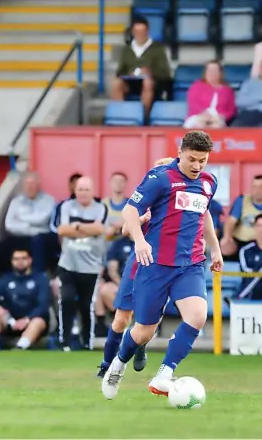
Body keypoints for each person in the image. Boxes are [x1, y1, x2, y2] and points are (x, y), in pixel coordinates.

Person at [102, 131, 223, 400]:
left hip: (189, 264)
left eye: (202, 161)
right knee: (144, 330)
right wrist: (140, 241)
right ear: (180, 152)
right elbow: (130, 211)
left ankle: (165, 373)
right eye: (192, 159)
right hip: (155, 264)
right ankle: (118, 364)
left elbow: (204, 215)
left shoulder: (208, 182)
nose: (197, 166)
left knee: (198, 316)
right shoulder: (160, 178)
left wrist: (215, 248)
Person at [97, 157, 175, 379]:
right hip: (139, 263)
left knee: (148, 318)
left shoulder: (177, 205)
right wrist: (141, 220)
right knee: (121, 318)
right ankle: (105, 366)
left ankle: (140, 344)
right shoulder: (144, 199)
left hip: (163, 265)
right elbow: (124, 230)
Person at [56, 176, 109, 351]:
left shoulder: (101, 208)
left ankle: (87, 341)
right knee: (67, 300)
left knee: (87, 305)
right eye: (80, 189)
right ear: (75, 191)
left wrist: (76, 227)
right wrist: (88, 229)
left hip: (90, 266)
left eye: (86, 189)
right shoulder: (66, 206)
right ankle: (65, 341)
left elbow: (100, 229)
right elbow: (62, 229)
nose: (83, 193)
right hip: (68, 264)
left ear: (92, 191)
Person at [0, 249, 50, 350]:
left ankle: (21, 347)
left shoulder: (40, 279)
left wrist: (27, 319)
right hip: (10, 321)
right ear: (12, 261)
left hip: (31, 321)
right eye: (16, 259)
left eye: (23, 258)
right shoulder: (6, 279)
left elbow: (43, 305)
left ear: (30, 260)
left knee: (38, 321)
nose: (20, 262)